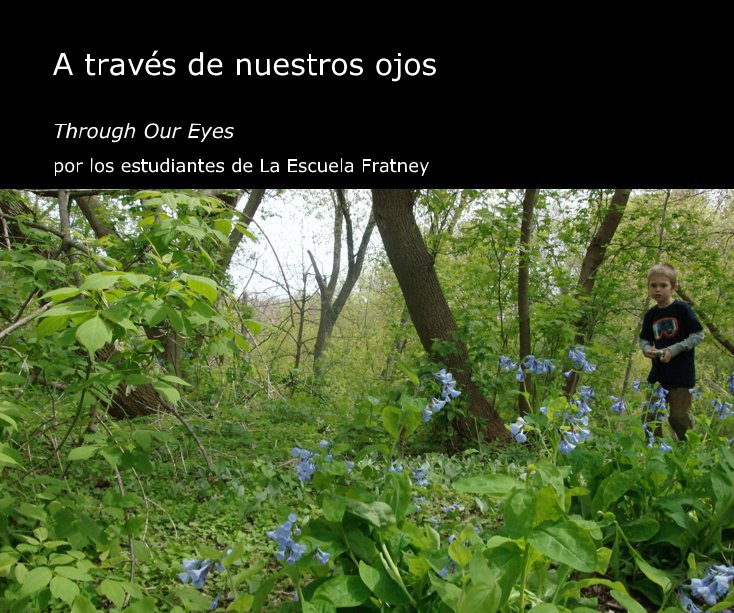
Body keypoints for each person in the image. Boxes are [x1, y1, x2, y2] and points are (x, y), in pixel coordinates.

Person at [639, 263, 704, 439]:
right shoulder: (650, 315)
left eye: (663, 285)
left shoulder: (682, 309)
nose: (657, 289)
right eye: (653, 285)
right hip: (658, 374)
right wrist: (646, 349)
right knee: (649, 417)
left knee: (678, 418)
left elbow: (698, 335)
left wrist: (673, 349)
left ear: (673, 287)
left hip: (681, 375)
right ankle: (656, 454)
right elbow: (644, 338)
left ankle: (689, 453)